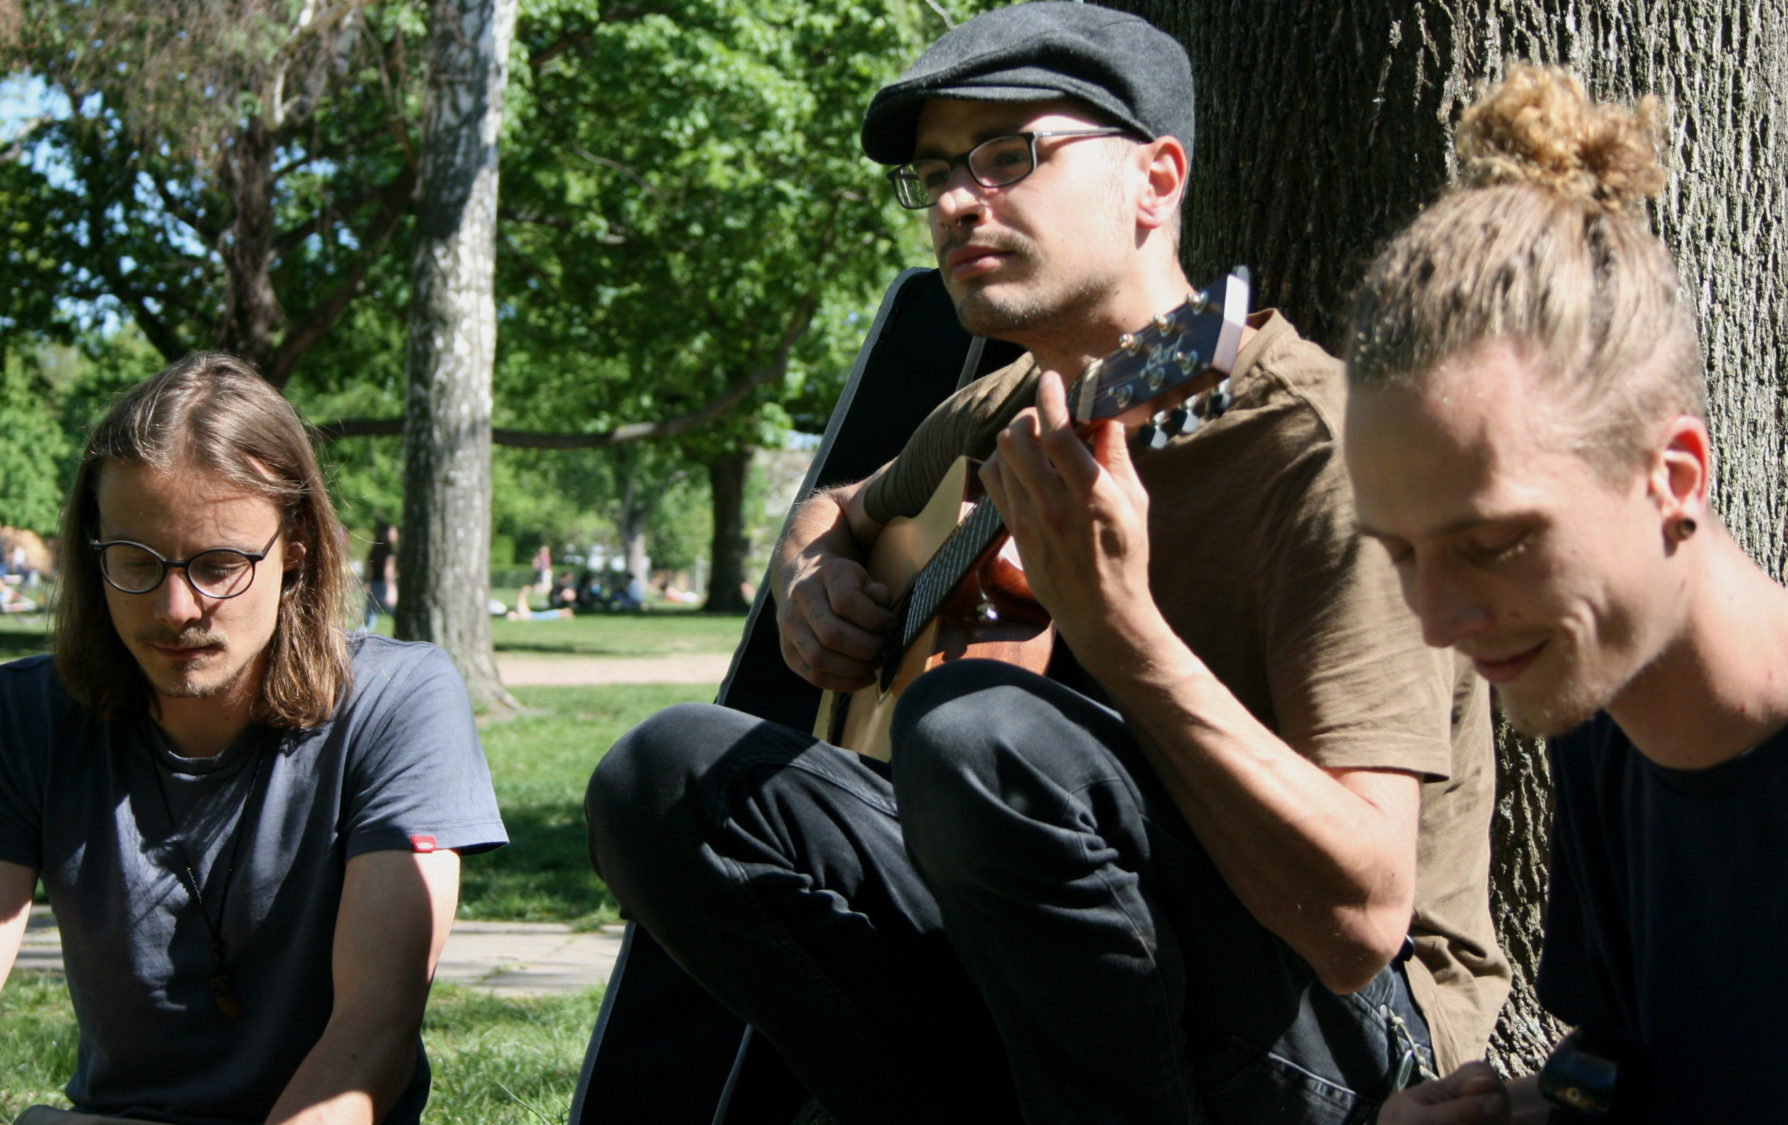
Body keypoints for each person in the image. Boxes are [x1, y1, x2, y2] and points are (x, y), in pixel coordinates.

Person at [585, 5, 1505, 1122]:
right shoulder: (996, 412)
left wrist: (1120, 634)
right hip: (1055, 994)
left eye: (1007, 155)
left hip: (1325, 1032)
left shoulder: (1315, 454)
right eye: (931, 176)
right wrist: (811, 574)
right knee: (669, 773)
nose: (954, 201)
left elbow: (1360, 920)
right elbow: (837, 504)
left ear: (1154, 180)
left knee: (981, 733)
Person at [1346, 68, 1788, 1124]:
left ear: (1671, 477)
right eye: (1400, 554)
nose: (1434, 620)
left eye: (1490, 542)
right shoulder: (1602, 727)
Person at [0, 353, 508, 1125]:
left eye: (220, 564)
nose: (177, 606)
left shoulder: (401, 702)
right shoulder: (25, 717)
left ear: (297, 551)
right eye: (135, 563)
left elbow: (371, 1034)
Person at [364, 522, 398, 632]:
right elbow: (388, 570)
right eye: (393, 531)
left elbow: (369, 567)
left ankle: (359, 638)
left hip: (374, 585)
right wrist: (391, 588)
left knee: (370, 619)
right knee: (395, 614)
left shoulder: (375, 549)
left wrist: (369, 582)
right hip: (383, 586)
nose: (396, 534)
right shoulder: (389, 551)